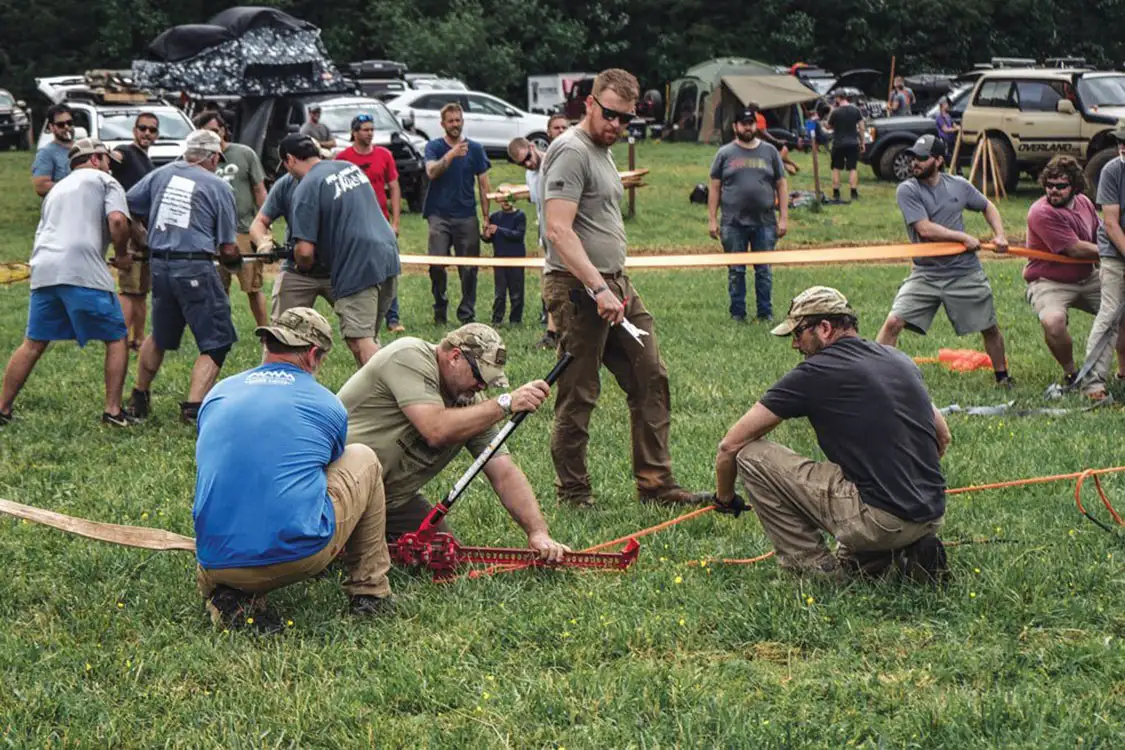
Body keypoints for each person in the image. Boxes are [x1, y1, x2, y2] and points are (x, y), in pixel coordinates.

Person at [542, 67, 708, 508]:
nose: (616, 126)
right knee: (579, 392)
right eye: (610, 115)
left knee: (650, 375)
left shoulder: (603, 150)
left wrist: (614, 285)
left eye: (626, 119)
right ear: (590, 104)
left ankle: (657, 485)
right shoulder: (571, 151)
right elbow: (558, 230)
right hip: (579, 289)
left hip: (615, 285)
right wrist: (598, 289)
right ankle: (573, 493)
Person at [713, 286, 952, 583]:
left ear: (824, 328)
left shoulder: (815, 372)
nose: (795, 345)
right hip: (932, 513)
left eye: (798, 334)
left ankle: (813, 569)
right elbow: (943, 437)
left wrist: (724, 499)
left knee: (751, 456)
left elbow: (730, 446)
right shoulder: (897, 359)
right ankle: (909, 551)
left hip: (881, 520)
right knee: (856, 555)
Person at [194, 307, 394, 630]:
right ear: (314, 354)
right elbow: (327, 467)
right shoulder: (327, 403)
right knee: (364, 458)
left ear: (269, 342)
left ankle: (233, 593)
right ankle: (370, 592)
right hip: (297, 555)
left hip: (212, 561)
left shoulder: (218, 393)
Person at [336, 323, 570, 560]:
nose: (482, 387)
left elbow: (504, 472)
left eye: (488, 383)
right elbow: (435, 429)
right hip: (336, 486)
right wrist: (505, 403)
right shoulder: (408, 356)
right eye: (479, 377)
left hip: (390, 499)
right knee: (320, 559)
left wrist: (538, 532)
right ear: (455, 357)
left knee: (441, 553)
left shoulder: (472, 403)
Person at [0, 138, 136, 427]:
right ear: (96, 159)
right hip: (82, 270)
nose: (110, 165)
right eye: (107, 159)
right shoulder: (104, 180)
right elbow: (117, 221)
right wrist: (123, 255)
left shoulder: (56, 189)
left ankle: (2, 408)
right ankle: (113, 412)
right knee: (116, 337)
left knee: (34, 342)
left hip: (44, 269)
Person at [875, 135, 1014, 387]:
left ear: (938, 160)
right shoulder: (907, 189)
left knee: (989, 326)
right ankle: (875, 376)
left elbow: (988, 206)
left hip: (964, 272)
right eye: (912, 157)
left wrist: (999, 234)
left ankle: (1002, 377)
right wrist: (962, 237)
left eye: (921, 158)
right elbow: (924, 229)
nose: (914, 162)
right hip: (925, 273)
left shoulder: (958, 185)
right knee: (894, 322)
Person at [124, 129, 240, 425]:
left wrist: (142, 238)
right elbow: (227, 247)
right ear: (213, 156)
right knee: (217, 340)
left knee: (160, 334)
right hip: (195, 268)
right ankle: (193, 409)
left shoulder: (160, 175)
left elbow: (127, 206)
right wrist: (235, 261)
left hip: (160, 267)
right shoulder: (219, 186)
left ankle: (139, 397)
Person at [286, 134, 401, 367]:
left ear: (289, 160)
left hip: (357, 263)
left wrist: (300, 263)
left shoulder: (307, 186)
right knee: (369, 336)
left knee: (361, 341)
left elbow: (305, 252)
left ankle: (391, 397)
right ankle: (373, 397)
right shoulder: (349, 168)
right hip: (388, 254)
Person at [1022, 156, 1101, 386]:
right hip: (1049, 281)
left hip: (1088, 277)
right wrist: (1114, 252)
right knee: (1053, 322)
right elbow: (1075, 250)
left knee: (1121, 310)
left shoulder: (1084, 203)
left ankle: (1122, 371)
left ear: (1074, 186)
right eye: (1049, 185)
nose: (1053, 191)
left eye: (1061, 186)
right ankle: (1071, 373)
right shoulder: (1041, 212)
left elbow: (1099, 234)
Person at [707, 106, 789, 323]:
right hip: (733, 222)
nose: (748, 127)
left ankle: (765, 313)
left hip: (765, 222)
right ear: (735, 127)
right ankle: (737, 313)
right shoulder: (724, 153)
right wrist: (713, 219)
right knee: (736, 271)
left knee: (764, 271)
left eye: (751, 123)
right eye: (743, 123)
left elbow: (781, 184)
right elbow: (714, 187)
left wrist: (783, 217)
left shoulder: (770, 152)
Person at [195, 111, 269, 328]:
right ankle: (222, 329)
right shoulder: (198, 161)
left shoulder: (244, 153)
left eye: (215, 131)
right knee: (218, 288)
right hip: (211, 234)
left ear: (224, 130)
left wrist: (264, 225)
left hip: (244, 230)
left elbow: (259, 190)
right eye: (206, 132)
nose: (212, 136)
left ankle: (265, 330)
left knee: (253, 288)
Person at [423, 103, 492, 325]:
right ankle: (440, 305)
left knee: (470, 268)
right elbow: (432, 172)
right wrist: (452, 154)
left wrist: (486, 217)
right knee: (436, 265)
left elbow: (484, 185)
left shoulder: (476, 149)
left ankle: (466, 312)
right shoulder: (433, 147)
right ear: (442, 124)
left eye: (458, 120)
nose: (455, 124)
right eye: (451, 121)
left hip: (466, 215)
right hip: (438, 215)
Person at [336, 113, 405, 333]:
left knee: (388, 269)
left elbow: (393, 187)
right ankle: (358, 315)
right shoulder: (343, 158)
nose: (369, 133)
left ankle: (392, 318)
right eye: (365, 129)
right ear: (354, 132)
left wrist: (395, 221)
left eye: (371, 129)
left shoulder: (384, 155)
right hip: (354, 224)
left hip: (381, 222)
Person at [249, 162, 334, 328]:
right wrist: (263, 243)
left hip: (338, 270)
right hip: (296, 271)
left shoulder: (335, 181)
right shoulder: (286, 184)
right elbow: (259, 222)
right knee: (281, 332)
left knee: (360, 332)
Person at [110, 112, 159, 352]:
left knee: (141, 290)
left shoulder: (148, 163)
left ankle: (137, 339)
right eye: (143, 128)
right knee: (129, 289)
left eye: (152, 130)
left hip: (146, 233)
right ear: (134, 130)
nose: (147, 133)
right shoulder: (126, 152)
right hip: (129, 230)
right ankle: (118, 337)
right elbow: (111, 159)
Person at [1085, 123, 1125, 399]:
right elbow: (1111, 223)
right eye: (1121, 142)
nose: (1123, 147)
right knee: (1110, 314)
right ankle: (1093, 383)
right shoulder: (1113, 170)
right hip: (1115, 252)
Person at [483, 195, 526, 325]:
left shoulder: (520, 216)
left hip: (516, 259)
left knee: (516, 292)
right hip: (499, 258)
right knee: (500, 292)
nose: (506, 202)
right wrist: (485, 233)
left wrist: (499, 230)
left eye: (509, 199)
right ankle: (497, 319)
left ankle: (515, 320)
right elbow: (488, 239)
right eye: (503, 199)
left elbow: (518, 235)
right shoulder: (494, 216)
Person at [826, 91, 865, 202]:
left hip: (838, 144)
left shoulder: (835, 112)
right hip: (853, 143)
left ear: (838, 98)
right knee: (853, 168)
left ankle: (836, 193)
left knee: (836, 168)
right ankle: (853, 193)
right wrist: (862, 142)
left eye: (835, 98)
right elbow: (862, 127)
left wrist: (831, 111)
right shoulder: (856, 110)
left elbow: (828, 126)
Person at [31, 104, 75, 197]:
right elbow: (41, 187)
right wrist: (74, 187)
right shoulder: (46, 153)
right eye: (60, 125)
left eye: (69, 122)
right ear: (51, 127)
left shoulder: (82, 148)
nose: (66, 127)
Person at [935, 97, 959, 163]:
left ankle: (959, 171)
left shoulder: (948, 115)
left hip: (951, 140)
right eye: (947, 104)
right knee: (947, 157)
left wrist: (959, 127)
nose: (949, 106)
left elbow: (953, 124)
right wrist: (955, 129)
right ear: (943, 104)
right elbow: (945, 129)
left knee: (956, 155)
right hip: (945, 141)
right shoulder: (939, 117)